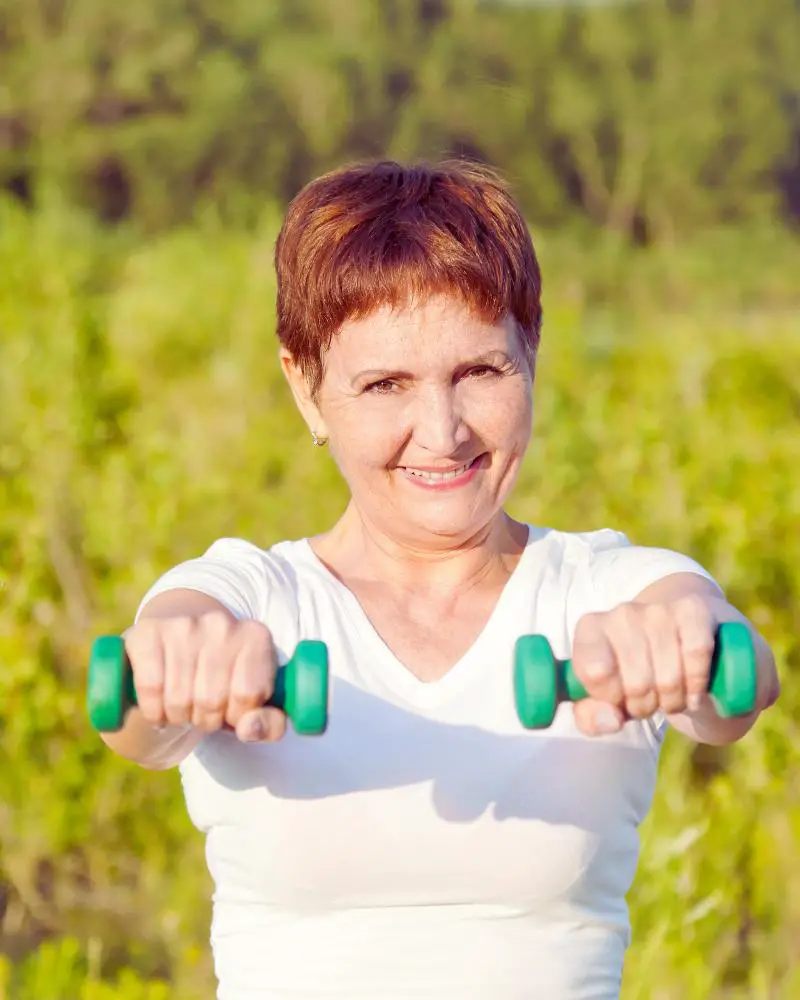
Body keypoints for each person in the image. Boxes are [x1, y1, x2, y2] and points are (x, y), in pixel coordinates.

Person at [99, 159, 780, 1000]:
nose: (441, 431)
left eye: (480, 372)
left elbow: (733, 683)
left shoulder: (606, 587)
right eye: (385, 384)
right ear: (306, 390)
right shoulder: (249, 596)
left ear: (532, 351)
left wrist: (686, 644)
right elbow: (136, 712)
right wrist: (175, 664)